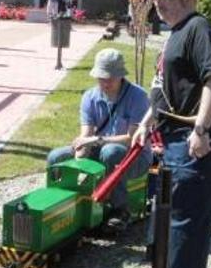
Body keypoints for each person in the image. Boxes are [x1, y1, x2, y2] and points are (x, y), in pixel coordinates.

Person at [131, 0, 211, 268]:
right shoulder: (177, 31)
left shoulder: (200, 30)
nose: (157, 3)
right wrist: (146, 121)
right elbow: (163, 88)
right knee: (171, 213)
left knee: (187, 218)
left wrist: (201, 130)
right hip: (174, 135)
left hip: (195, 139)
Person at [47, 48, 152, 230]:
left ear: (120, 76)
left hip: (134, 157)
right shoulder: (90, 97)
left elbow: (131, 139)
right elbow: (85, 135)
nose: (104, 82)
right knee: (56, 157)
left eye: (109, 78)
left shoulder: (138, 96)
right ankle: (62, 207)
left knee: (111, 152)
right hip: (100, 149)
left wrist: (96, 140)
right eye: (100, 78)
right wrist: (79, 163)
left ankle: (120, 210)